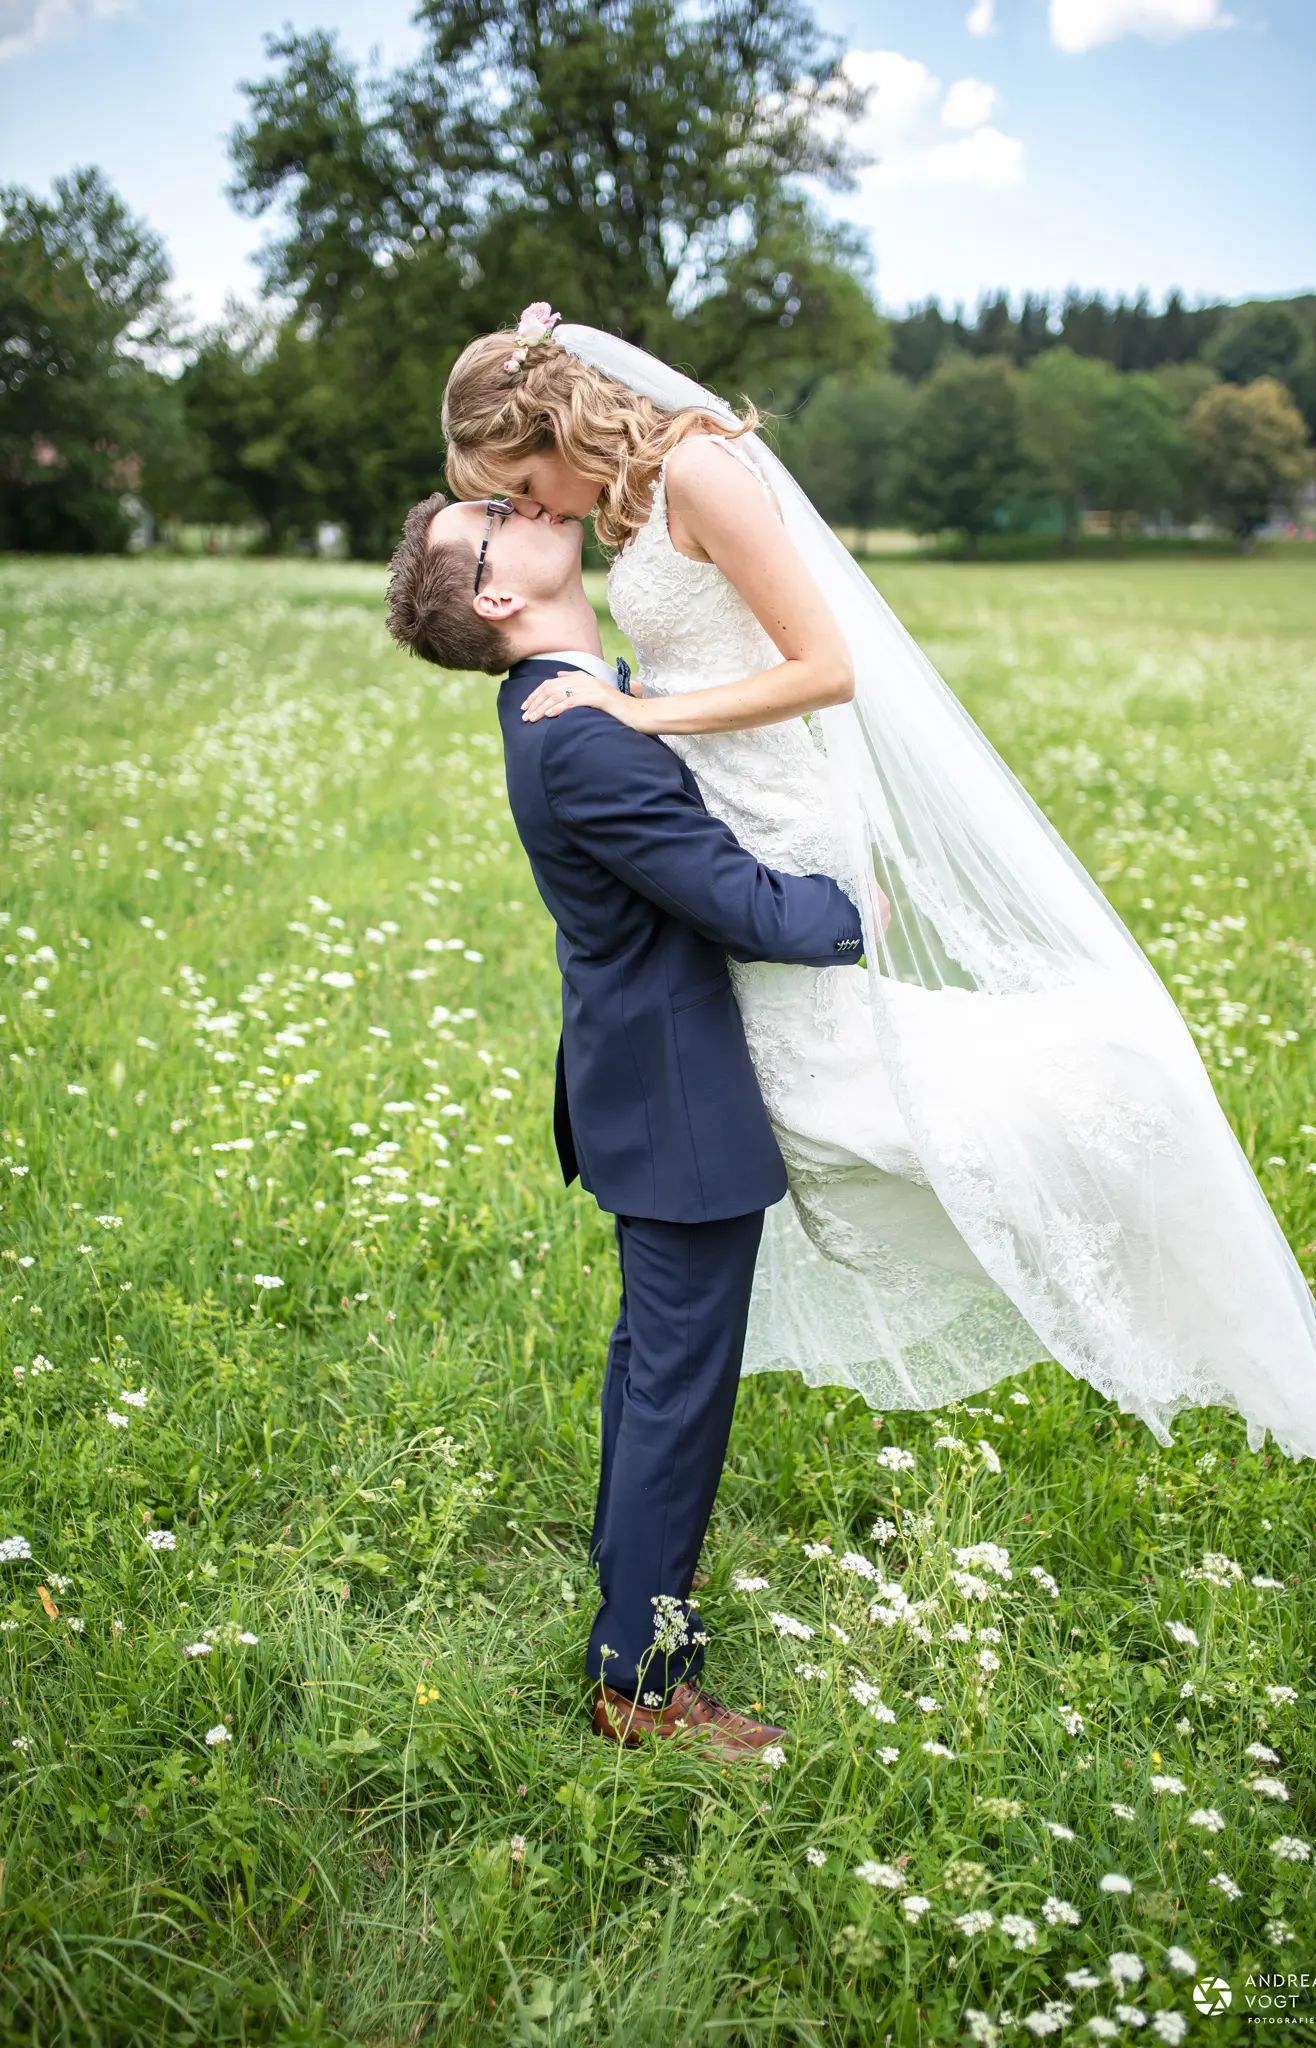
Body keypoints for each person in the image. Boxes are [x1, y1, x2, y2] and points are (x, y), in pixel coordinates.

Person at [433, 304, 1316, 1467]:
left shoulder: (702, 469)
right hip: (727, 811)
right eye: (511, 505)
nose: (533, 511)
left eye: (519, 483)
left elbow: (826, 668)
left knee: (836, 1094)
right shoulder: (628, 501)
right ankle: (685, 1357)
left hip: (775, 813)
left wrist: (639, 713)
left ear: (551, 418)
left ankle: (1109, 1152)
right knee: (804, 1098)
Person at [385, 489, 869, 1758]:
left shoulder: (573, 697)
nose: (523, 497)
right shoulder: (583, 732)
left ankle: (624, 1611)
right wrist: (864, 903)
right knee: (674, 1394)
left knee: (652, 1374)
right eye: (493, 510)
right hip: (673, 1106)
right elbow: (745, 907)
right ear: (496, 594)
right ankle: (638, 1686)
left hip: (644, 1086)